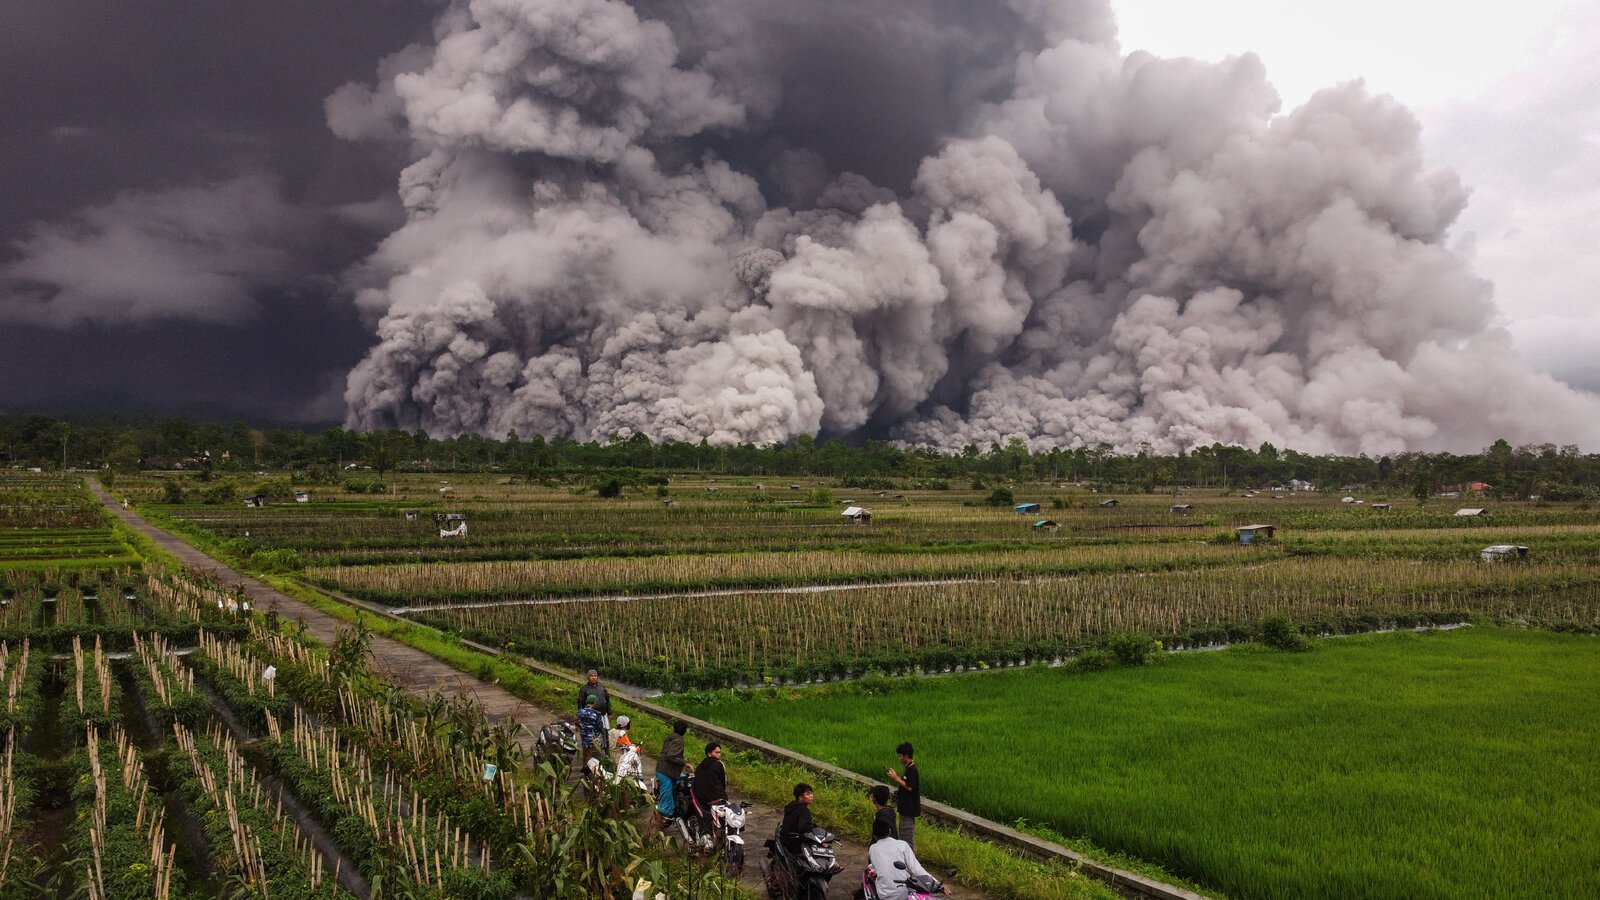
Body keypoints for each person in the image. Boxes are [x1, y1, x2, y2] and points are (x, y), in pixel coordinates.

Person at [867, 817, 934, 900]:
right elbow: (916, 868)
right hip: (902, 893)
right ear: (890, 831)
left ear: (874, 835)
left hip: (883, 894)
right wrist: (936, 884)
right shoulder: (902, 845)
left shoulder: (873, 849)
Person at [691, 742, 728, 840]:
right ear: (709, 753)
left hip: (702, 799)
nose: (719, 755)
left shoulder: (699, 767)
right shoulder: (719, 764)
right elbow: (724, 782)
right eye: (717, 752)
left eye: (720, 753)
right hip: (716, 799)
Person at [655, 720, 691, 818]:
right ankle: (657, 828)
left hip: (661, 769)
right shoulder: (679, 740)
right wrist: (684, 763)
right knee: (665, 806)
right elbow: (671, 755)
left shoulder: (669, 737)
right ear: (684, 731)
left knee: (672, 792)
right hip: (666, 772)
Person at [887, 741, 920, 849]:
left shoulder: (912, 770)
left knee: (906, 839)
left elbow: (910, 787)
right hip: (904, 809)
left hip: (908, 810)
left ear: (906, 756)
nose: (899, 758)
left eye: (900, 756)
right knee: (903, 837)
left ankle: (911, 863)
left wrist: (895, 778)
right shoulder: (908, 768)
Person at [578, 669, 612, 749]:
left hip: (603, 714)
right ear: (588, 677)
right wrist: (581, 716)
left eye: (595, 676)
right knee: (594, 733)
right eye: (591, 676)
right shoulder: (584, 689)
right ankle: (593, 750)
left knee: (605, 732)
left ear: (597, 677)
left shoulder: (602, 687)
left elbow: (607, 700)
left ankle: (606, 750)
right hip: (592, 715)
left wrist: (609, 713)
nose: (593, 678)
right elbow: (581, 703)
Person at [779, 782, 816, 856]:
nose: (811, 796)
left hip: (785, 839)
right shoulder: (803, 810)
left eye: (811, 793)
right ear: (800, 797)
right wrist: (813, 826)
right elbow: (803, 828)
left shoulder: (792, 806)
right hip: (794, 843)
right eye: (808, 794)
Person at [576, 696, 604, 772]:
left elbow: (577, 722)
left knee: (584, 751)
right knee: (590, 753)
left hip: (583, 735)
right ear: (594, 702)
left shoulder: (580, 712)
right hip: (592, 737)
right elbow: (600, 727)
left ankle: (583, 765)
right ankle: (586, 768)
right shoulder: (596, 714)